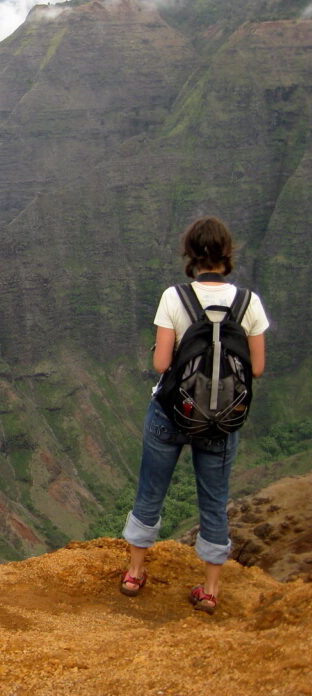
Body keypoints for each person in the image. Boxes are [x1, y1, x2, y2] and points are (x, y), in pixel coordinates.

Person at [120, 216, 269, 613]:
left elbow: (162, 362)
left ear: (190, 254)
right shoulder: (248, 302)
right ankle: (210, 590)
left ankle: (135, 573)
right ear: (227, 254)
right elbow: (256, 368)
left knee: (150, 492)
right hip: (221, 420)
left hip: (170, 414)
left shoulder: (175, 297)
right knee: (214, 501)